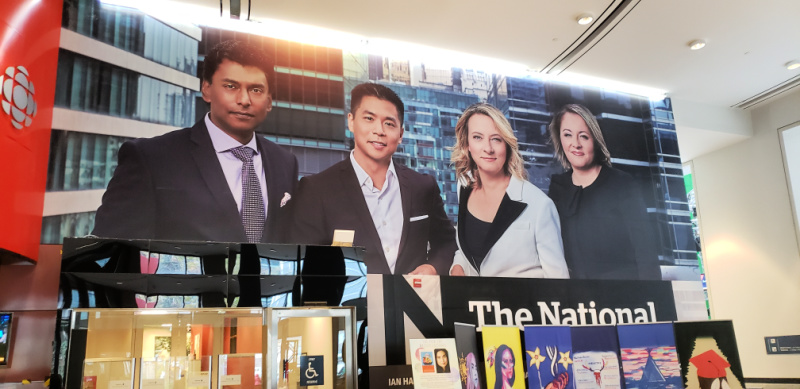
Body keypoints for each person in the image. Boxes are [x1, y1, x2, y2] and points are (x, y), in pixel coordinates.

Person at [92, 40, 298, 243]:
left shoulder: (285, 162)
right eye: (230, 86)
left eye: (256, 90)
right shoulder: (150, 158)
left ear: (269, 102)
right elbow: (111, 252)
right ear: (206, 89)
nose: (244, 100)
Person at [288, 83, 456, 275]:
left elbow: (447, 243)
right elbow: (305, 263)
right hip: (352, 302)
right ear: (351, 121)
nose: (379, 130)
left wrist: (432, 267)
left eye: (389, 123)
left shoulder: (423, 187)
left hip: (413, 301)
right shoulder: (316, 190)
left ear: (400, 134)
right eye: (369, 118)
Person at [449, 103, 568, 278]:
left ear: (507, 144)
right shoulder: (464, 187)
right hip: (475, 302)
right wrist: (457, 266)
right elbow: (468, 247)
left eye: (496, 139)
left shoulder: (540, 205)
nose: (488, 148)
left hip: (522, 305)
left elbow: (559, 281)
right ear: (467, 144)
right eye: (477, 137)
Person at [547, 104, 662, 280]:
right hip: (577, 296)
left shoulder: (622, 183)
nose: (575, 144)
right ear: (560, 140)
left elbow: (645, 251)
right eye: (567, 135)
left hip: (623, 294)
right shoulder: (558, 188)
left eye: (584, 136)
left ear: (595, 139)